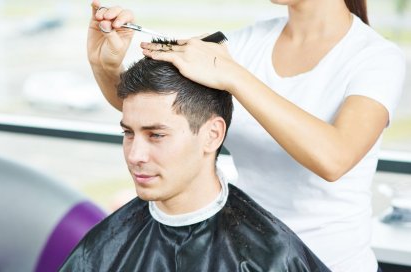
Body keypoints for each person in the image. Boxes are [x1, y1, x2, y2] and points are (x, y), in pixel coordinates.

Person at [87, 0, 406, 271]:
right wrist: (106, 64)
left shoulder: (376, 58)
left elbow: (335, 157)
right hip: (246, 257)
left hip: (329, 263)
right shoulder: (246, 42)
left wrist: (233, 75)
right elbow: (158, 116)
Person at [60, 56, 330, 271]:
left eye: (156, 135)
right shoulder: (101, 248)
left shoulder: (271, 258)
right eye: (129, 133)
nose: (134, 155)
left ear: (212, 135)